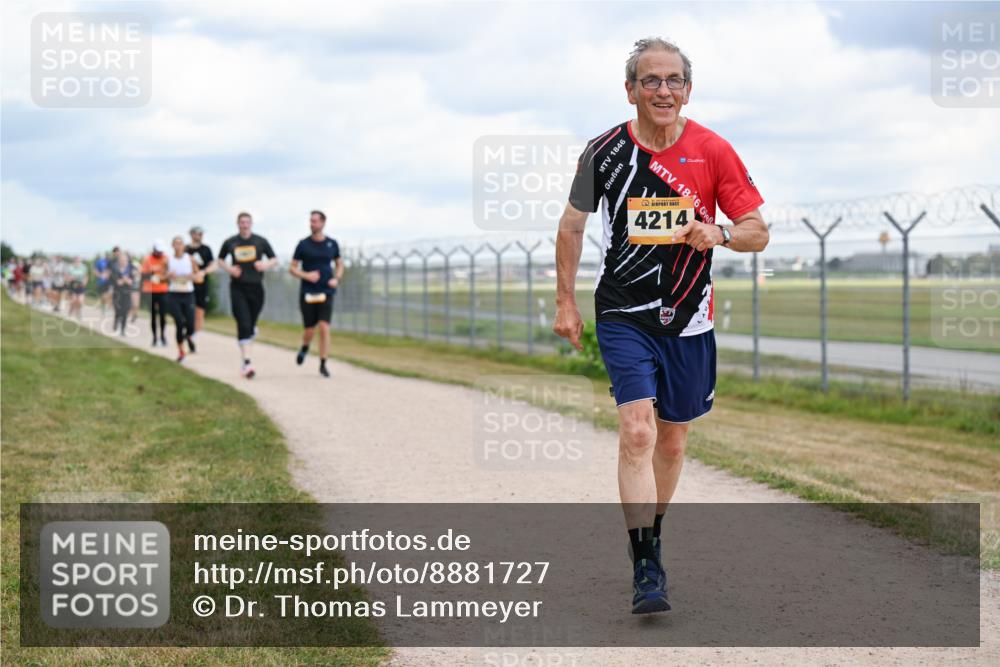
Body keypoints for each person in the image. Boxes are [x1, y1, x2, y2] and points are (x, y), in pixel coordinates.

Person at [553, 37, 769, 615]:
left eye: (673, 80)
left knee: (672, 439)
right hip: (623, 312)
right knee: (639, 431)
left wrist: (719, 233)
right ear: (630, 90)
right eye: (651, 81)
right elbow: (571, 226)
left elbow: (756, 230)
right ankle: (646, 561)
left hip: (689, 319)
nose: (663, 91)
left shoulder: (713, 150)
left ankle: (655, 530)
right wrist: (565, 303)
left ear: (688, 89)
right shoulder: (602, 153)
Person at [218, 212, 277, 378]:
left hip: (256, 287)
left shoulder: (260, 241)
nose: (244, 225)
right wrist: (229, 269)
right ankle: (247, 363)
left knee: (250, 323)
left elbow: (274, 259)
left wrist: (264, 265)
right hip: (238, 287)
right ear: (237, 224)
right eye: (242, 222)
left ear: (251, 224)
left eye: (247, 222)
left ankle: (251, 330)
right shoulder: (231, 242)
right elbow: (220, 260)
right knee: (243, 322)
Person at [289, 210, 343, 378]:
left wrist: (337, 278)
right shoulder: (303, 244)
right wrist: (307, 275)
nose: (312, 224)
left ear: (323, 223)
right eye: (310, 221)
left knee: (325, 327)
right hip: (308, 292)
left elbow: (340, 264)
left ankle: (323, 363)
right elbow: (292, 268)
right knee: (310, 330)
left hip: (326, 290)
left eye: (315, 221)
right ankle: (305, 346)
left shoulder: (332, 244)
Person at [166, 236, 198, 362]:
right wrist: (167, 275)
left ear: (184, 246)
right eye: (176, 243)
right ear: (172, 245)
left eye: (180, 243)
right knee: (179, 323)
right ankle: (181, 352)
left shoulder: (189, 259)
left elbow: (198, 275)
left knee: (190, 325)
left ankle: (189, 337)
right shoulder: (168, 260)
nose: (178, 246)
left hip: (188, 294)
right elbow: (160, 277)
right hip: (174, 294)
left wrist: (193, 276)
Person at [186, 226, 216, 340]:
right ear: (192, 234)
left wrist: (203, 272)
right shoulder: (186, 249)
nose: (199, 236)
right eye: (197, 233)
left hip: (202, 285)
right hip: (187, 284)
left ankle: (194, 335)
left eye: (201, 234)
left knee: (199, 310)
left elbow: (213, 265)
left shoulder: (206, 249)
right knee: (187, 310)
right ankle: (188, 329)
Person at [141, 241, 169, 346]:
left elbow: (168, 273)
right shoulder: (147, 259)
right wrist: (153, 276)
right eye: (158, 251)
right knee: (153, 316)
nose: (159, 253)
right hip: (151, 291)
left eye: (161, 251)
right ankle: (154, 338)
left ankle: (162, 336)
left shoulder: (165, 258)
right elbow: (143, 275)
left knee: (162, 315)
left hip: (163, 290)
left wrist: (162, 277)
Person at [110, 250, 136, 336]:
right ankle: (116, 322)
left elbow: (131, 282)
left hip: (127, 293)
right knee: (118, 310)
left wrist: (125, 280)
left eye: (125, 260)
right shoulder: (115, 269)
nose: (123, 262)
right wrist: (125, 280)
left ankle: (123, 330)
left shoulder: (131, 270)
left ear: (127, 261)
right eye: (121, 260)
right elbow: (117, 282)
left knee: (125, 311)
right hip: (117, 293)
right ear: (119, 261)